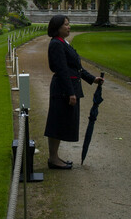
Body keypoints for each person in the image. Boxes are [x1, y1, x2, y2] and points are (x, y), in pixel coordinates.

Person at [44, 15, 103, 169]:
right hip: (63, 90)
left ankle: (55, 157)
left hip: (67, 87)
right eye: (66, 25)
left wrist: (92, 79)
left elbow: (76, 67)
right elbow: (62, 70)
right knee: (57, 124)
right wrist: (71, 93)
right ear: (57, 27)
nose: (69, 27)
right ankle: (53, 159)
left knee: (61, 123)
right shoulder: (57, 44)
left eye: (69, 24)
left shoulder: (63, 43)